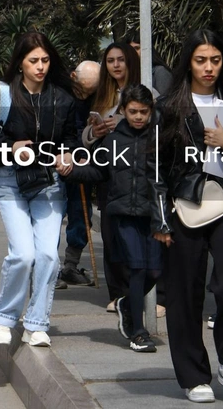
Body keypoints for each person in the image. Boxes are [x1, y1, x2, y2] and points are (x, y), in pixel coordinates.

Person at [153, 29, 223, 405]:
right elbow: (154, 165)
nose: (209, 67)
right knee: (184, 292)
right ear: (188, 62)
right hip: (184, 205)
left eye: (215, 60)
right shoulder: (169, 107)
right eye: (201, 60)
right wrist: (159, 216)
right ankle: (192, 374)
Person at [0, 31, 78, 347]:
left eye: (45, 60)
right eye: (34, 61)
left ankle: (36, 323)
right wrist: (9, 145)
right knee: (22, 254)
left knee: (48, 255)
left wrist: (69, 153)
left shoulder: (62, 99)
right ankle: (3, 316)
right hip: (9, 181)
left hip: (49, 183)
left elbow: (72, 138)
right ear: (20, 63)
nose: (40, 67)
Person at [61, 84, 163, 353]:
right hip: (122, 214)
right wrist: (69, 172)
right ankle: (138, 331)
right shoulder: (114, 140)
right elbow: (96, 172)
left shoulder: (160, 138)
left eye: (144, 112)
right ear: (123, 111)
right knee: (138, 268)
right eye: (133, 112)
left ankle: (126, 304)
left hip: (154, 214)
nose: (139, 117)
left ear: (151, 111)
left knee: (155, 270)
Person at [79, 42, 147, 293]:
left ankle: (143, 292)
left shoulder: (145, 90)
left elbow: (156, 124)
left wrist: (120, 123)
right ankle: (117, 292)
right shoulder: (103, 95)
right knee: (111, 233)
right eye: (110, 61)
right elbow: (85, 134)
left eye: (120, 60)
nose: (116, 65)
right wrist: (93, 131)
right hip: (108, 172)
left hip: (138, 172)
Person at [56, 60, 100, 290]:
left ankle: (70, 265)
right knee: (51, 216)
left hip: (81, 163)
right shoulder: (58, 93)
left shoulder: (98, 95)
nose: (85, 95)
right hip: (56, 161)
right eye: (82, 89)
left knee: (81, 215)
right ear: (73, 76)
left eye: (90, 92)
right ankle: (50, 268)